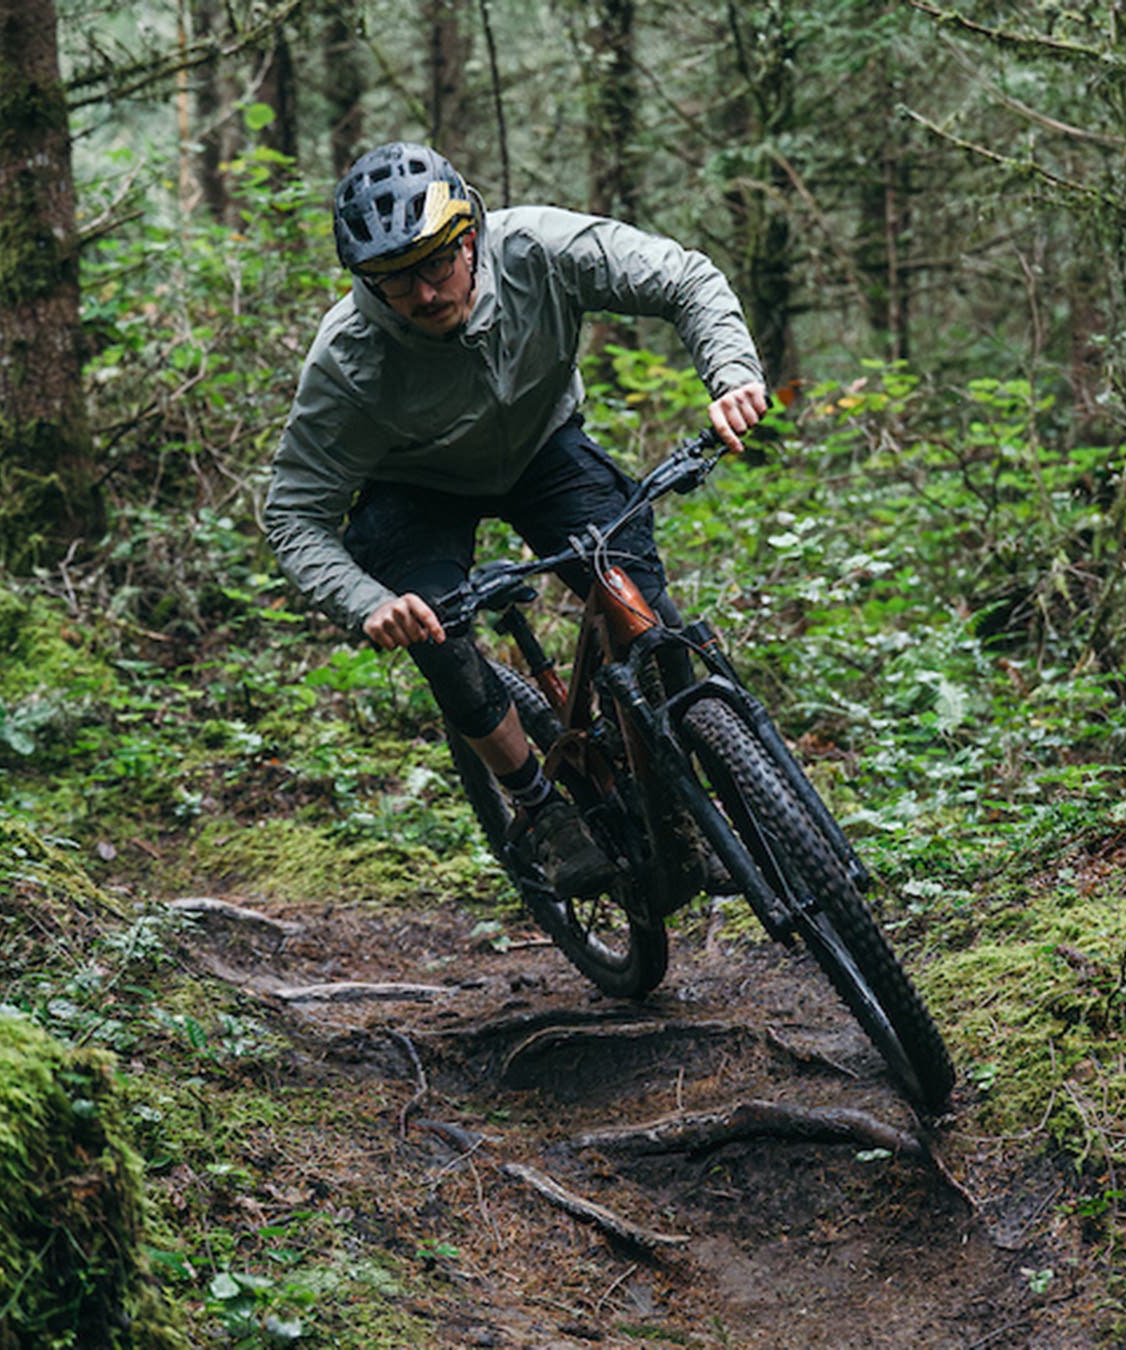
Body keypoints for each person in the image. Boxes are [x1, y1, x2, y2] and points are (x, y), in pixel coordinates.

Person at [263, 141, 770, 896]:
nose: (424, 293)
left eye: (438, 263)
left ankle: (672, 795)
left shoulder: (540, 249)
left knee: (649, 618)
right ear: (366, 280)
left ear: (469, 236)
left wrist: (730, 375)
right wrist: (368, 602)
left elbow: (685, 278)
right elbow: (294, 513)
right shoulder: (348, 357)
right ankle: (538, 807)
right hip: (415, 487)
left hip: (542, 448)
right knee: (435, 627)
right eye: (395, 279)